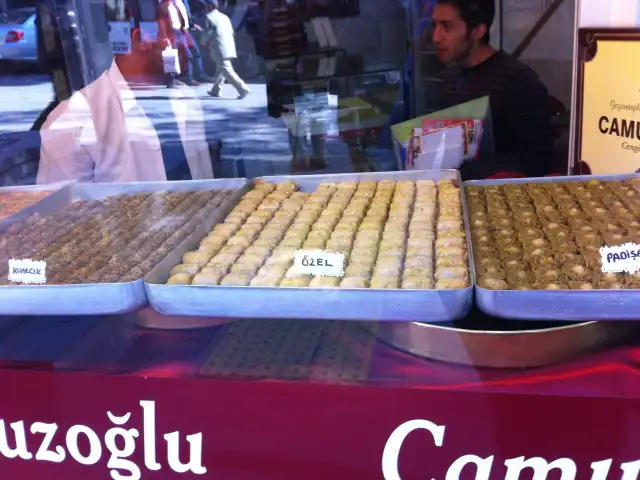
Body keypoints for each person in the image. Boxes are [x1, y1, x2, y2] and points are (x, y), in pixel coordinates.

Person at [432, 0, 555, 180]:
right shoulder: (451, 76)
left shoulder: (519, 82)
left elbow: (538, 162)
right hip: (454, 192)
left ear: (477, 31)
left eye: (447, 26)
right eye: (434, 25)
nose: (436, 37)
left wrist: (473, 170)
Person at [202, 0, 250, 99]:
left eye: (205, 5)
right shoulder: (224, 17)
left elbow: (208, 34)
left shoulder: (209, 17)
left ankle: (243, 89)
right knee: (220, 70)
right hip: (229, 47)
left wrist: (203, 41)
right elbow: (231, 32)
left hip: (219, 48)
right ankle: (216, 90)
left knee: (227, 71)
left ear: (210, 6)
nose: (204, 8)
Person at [157, 0, 207, 87]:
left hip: (182, 31)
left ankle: (188, 78)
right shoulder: (165, 5)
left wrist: (188, 26)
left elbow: (184, 16)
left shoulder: (180, 2)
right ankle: (171, 80)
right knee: (172, 56)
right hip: (172, 32)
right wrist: (164, 35)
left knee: (188, 56)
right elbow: (161, 21)